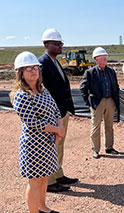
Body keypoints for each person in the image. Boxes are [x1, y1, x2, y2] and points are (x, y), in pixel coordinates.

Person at [10, 52, 64, 213]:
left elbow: (55, 108)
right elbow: (32, 122)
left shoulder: (41, 89)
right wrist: (57, 130)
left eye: (35, 68)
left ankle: (42, 207)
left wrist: (59, 127)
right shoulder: (21, 95)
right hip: (33, 144)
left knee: (43, 178)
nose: (33, 71)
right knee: (35, 181)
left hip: (47, 142)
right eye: (28, 68)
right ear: (21, 73)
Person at [38, 28, 78, 192]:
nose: (61, 46)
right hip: (51, 115)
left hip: (61, 112)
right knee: (51, 146)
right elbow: (41, 91)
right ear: (47, 44)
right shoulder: (42, 64)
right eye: (57, 43)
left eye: (61, 43)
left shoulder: (55, 62)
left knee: (59, 145)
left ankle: (58, 173)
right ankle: (49, 182)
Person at [80, 47, 120, 159]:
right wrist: (88, 103)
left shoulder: (111, 72)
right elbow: (83, 88)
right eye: (102, 57)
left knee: (109, 126)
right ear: (96, 59)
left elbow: (115, 86)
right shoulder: (90, 72)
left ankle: (109, 147)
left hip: (110, 101)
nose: (105, 59)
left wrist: (114, 100)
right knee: (96, 126)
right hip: (97, 102)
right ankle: (95, 150)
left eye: (106, 57)